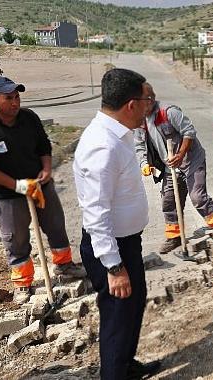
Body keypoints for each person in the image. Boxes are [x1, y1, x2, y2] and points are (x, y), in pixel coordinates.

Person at [0, 76, 85, 305]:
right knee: (16, 238)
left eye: (17, 97)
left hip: (40, 184)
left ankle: (64, 265)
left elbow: (43, 146)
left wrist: (47, 170)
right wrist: (18, 186)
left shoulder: (29, 118)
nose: (15, 102)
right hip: (7, 194)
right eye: (9, 98)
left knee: (55, 224)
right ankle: (23, 283)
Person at [73, 68, 160, 379]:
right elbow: (96, 213)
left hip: (125, 242)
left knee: (133, 306)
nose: (150, 107)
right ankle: (114, 373)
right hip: (111, 248)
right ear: (131, 105)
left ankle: (124, 365)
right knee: (117, 317)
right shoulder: (103, 145)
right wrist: (114, 267)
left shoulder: (118, 133)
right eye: (147, 100)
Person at [133, 83, 213, 255]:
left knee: (197, 197)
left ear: (150, 100)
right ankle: (174, 236)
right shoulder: (139, 121)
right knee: (169, 201)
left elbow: (189, 132)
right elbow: (139, 146)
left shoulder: (168, 112)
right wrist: (144, 164)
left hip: (191, 161)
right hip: (169, 167)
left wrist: (180, 155)